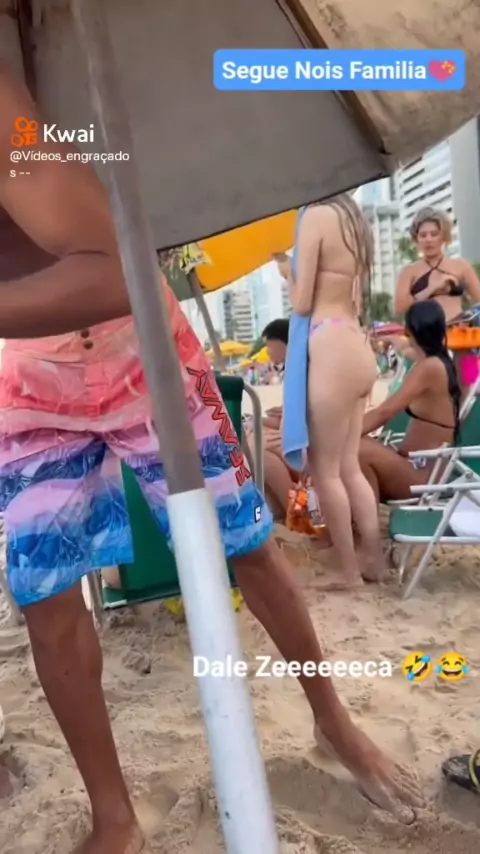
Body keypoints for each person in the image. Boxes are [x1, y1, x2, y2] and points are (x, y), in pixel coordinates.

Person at [0, 68, 421, 848]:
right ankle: (113, 814)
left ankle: (332, 719)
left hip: (139, 343)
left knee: (247, 544)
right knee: (45, 596)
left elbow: (112, 273)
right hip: (27, 376)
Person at [278, 194, 383, 590]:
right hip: (356, 342)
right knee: (350, 467)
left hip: (330, 345)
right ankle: (373, 560)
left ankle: (349, 572)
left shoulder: (316, 215)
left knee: (327, 472)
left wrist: (287, 272)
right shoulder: (353, 219)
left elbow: (303, 302)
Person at [359, 301, 461, 502]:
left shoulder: (428, 368)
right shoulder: (438, 361)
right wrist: (395, 342)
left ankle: (366, 516)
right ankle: (365, 513)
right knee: (359, 446)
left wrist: (342, 436)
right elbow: (408, 350)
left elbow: (384, 412)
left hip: (423, 475)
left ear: (410, 331)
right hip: (416, 466)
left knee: (356, 448)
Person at [394, 208, 480, 322]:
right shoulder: (409, 271)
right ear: (416, 239)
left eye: (434, 234)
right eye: (423, 235)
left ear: (443, 236)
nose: (428, 239)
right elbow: (399, 309)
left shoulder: (461, 266)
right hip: (423, 331)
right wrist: (431, 289)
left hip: (458, 329)